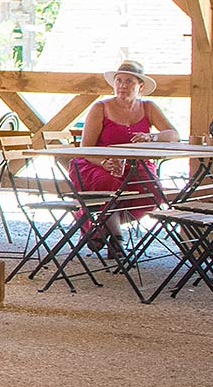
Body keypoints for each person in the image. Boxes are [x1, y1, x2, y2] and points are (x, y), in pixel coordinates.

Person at [70, 60, 178, 261]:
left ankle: (101, 229)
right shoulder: (100, 107)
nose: (122, 85)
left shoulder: (148, 107)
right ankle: (117, 240)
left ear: (140, 86)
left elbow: (173, 134)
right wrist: (104, 162)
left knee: (153, 191)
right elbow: (86, 148)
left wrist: (152, 137)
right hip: (98, 162)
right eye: (118, 80)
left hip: (136, 164)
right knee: (109, 184)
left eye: (129, 81)